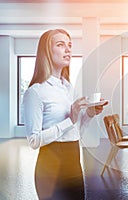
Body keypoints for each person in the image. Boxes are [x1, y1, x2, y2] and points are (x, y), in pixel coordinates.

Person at [23, 29, 107, 200]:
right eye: (60, 45)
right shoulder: (35, 92)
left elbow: (76, 132)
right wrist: (71, 119)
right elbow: (33, 141)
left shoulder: (68, 88)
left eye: (69, 45)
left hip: (75, 165)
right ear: (46, 51)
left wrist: (89, 114)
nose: (68, 50)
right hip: (50, 170)